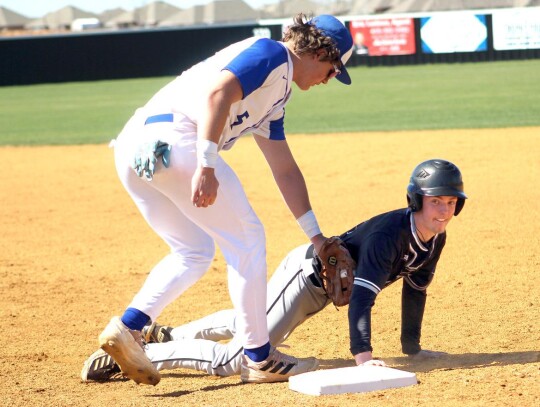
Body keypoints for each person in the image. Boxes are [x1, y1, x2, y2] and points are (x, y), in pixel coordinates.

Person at [96, 13, 354, 386]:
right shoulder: (271, 54)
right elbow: (219, 93)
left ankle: (128, 328)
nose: (330, 79)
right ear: (320, 52)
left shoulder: (276, 95)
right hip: (176, 140)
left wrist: (317, 238)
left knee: (194, 251)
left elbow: (285, 170)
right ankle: (259, 358)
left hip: (135, 149)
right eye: (333, 70)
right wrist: (206, 164)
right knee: (247, 238)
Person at [82, 159, 467, 381]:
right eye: (436, 202)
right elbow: (362, 298)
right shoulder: (390, 235)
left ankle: (167, 333)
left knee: (248, 322)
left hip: (309, 287)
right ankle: (136, 354)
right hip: (304, 281)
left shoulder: (434, 238)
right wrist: (363, 358)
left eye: (451, 203)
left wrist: (412, 349)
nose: (444, 211)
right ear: (417, 200)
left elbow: (416, 289)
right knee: (243, 358)